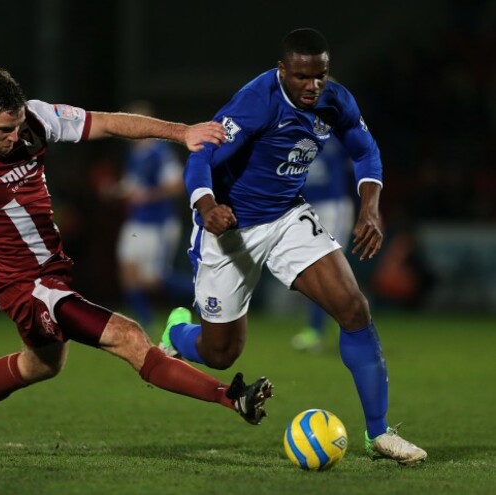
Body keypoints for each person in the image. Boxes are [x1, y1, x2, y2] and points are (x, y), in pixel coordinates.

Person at [0, 65, 273, 458]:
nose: (15, 138)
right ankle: (231, 396)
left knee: (41, 365)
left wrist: (182, 132)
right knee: (129, 337)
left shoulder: (35, 118)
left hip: (51, 275)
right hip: (29, 287)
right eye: (3, 130)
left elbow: (107, 122)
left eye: (17, 127)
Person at [158, 28, 427, 465]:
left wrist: (371, 207)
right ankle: (176, 332)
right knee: (221, 353)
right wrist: (207, 206)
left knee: (354, 309)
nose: (312, 86)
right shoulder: (255, 102)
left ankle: (378, 434)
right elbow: (201, 155)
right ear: (282, 70)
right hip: (230, 228)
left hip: (287, 217)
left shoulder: (335, 100)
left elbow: (365, 151)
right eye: (302, 77)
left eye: (320, 76)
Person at [103, 100, 193, 332]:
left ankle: (206, 292)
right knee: (126, 273)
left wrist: (148, 196)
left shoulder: (160, 152)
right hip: (136, 222)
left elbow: (175, 185)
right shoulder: (135, 154)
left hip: (158, 223)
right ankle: (145, 323)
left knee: (153, 280)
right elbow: (134, 187)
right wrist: (116, 190)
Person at [290, 135, 355, 352]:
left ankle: (325, 330)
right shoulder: (289, 136)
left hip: (332, 206)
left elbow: (358, 164)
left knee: (328, 269)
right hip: (308, 208)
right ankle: (345, 323)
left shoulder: (332, 140)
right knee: (316, 269)